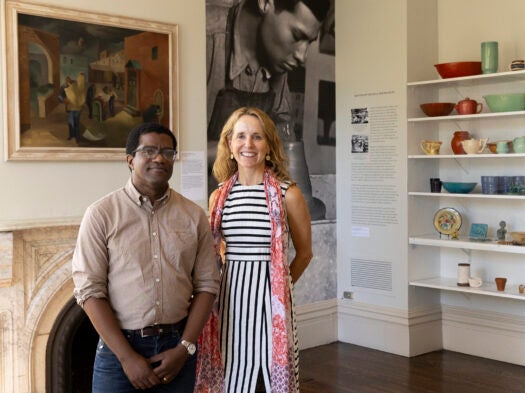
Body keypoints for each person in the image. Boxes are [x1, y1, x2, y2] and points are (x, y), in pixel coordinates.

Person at [72, 122, 220, 392]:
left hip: (177, 349)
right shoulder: (101, 214)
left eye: (167, 152)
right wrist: (127, 358)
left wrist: (184, 348)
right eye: (149, 150)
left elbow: (207, 285)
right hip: (119, 352)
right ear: (130, 160)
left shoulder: (194, 216)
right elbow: (89, 291)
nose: (159, 158)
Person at [196, 107, 312, 393]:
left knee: (266, 383)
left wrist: (278, 290)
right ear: (230, 145)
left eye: (257, 137)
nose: (249, 144)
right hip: (229, 305)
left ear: (269, 146)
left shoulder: (289, 194)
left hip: (271, 310)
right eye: (241, 136)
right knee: (230, 380)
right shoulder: (219, 196)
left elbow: (305, 253)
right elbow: (218, 253)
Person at [206, 0, 331, 191]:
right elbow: (167, 152)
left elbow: (285, 139)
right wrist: (244, 150)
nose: (301, 56)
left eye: (309, 43)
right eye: (297, 36)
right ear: (265, 3)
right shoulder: (205, 37)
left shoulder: (277, 57)